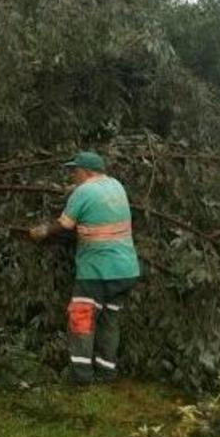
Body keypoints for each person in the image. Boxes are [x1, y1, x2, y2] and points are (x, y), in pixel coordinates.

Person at [29, 151, 139, 384]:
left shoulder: (83, 192)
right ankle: (107, 373)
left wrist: (43, 231)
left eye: (74, 170)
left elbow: (65, 225)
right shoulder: (116, 186)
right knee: (109, 321)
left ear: (86, 171)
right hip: (126, 270)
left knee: (81, 318)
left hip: (97, 271)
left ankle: (81, 377)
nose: (72, 175)